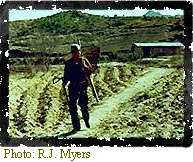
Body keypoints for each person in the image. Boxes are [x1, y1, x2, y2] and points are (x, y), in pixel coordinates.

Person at [63, 44, 93, 131]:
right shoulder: (68, 63)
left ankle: (86, 120)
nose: (75, 54)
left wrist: (85, 67)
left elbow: (90, 71)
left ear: (79, 52)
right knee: (72, 107)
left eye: (77, 52)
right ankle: (76, 126)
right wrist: (64, 83)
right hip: (73, 86)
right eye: (73, 52)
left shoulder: (84, 61)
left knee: (83, 106)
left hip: (82, 86)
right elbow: (66, 76)